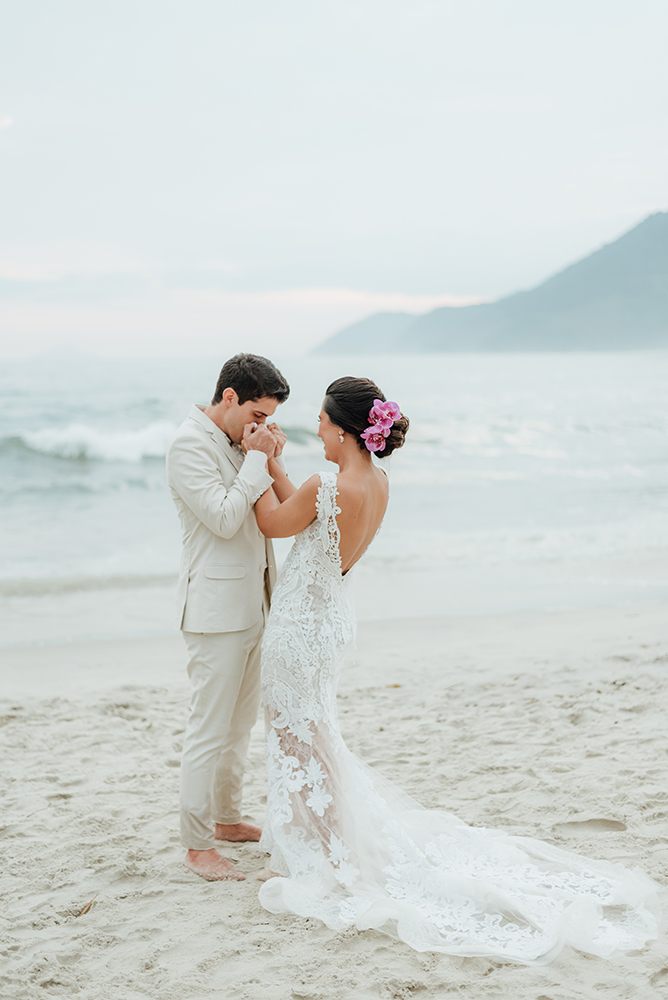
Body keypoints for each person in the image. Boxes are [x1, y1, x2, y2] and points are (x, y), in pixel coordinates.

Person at [253, 375, 665, 963]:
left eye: (320, 421)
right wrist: (276, 469)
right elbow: (306, 512)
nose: (314, 428)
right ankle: (324, 839)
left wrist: (254, 460)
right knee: (312, 731)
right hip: (328, 623)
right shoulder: (374, 482)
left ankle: (319, 847)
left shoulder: (327, 484)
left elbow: (274, 523)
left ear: (343, 431)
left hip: (299, 626)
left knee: (297, 735)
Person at [166, 353, 289, 882]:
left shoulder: (243, 443)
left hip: (256, 602)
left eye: (270, 419)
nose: (262, 427)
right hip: (214, 613)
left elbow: (262, 515)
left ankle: (228, 820)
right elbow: (221, 518)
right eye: (257, 415)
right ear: (230, 397)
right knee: (208, 729)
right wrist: (258, 460)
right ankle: (197, 847)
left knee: (239, 727)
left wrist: (264, 456)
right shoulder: (188, 445)